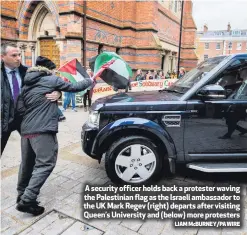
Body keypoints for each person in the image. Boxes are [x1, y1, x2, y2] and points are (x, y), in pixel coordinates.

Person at [16, 56, 93, 216]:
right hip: (42, 130)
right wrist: (89, 79)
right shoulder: (51, 79)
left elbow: (20, 109)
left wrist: (54, 95)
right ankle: (27, 200)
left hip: (26, 131)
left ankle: (21, 194)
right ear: (48, 69)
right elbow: (75, 87)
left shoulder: (26, 84)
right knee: (45, 163)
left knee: (27, 163)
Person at [1, 42, 60, 154]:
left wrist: (58, 92)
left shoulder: (28, 72)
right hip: (3, 118)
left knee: (32, 152)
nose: (18, 58)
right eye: (14, 55)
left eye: (19, 55)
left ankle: (29, 171)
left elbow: (49, 84)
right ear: (2, 57)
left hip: (26, 117)